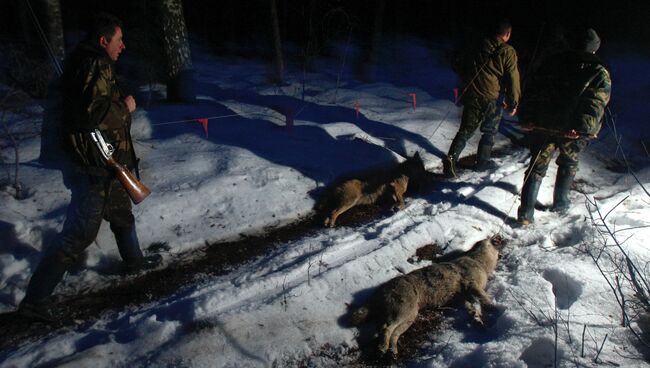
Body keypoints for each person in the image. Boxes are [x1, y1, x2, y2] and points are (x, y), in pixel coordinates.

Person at [18, 13, 161, 321]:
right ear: (102, 41)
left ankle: (134, 262)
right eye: (118, 40)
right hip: (91, 165)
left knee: (121, 211)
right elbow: (92, 114)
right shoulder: (94, 63)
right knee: (78, 234)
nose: (122, 46)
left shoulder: (89, 62)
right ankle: (35, 299)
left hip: (105, 161)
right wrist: (126, 108)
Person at [516, 28, 611, 225]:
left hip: (544, 123)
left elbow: (533, 89)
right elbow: (594, 102)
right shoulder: (599, 70)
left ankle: (525, 214)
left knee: (536, 166)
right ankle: (561, 205)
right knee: (568, 163)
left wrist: (528, 116)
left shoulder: (553, 61)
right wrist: (583, 128)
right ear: (594, 48)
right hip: (572, 131)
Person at [444, 20, 521, 177]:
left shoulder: (478, 45)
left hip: (473, 94)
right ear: (507, 34)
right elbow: (513, 77)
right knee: (489, 132)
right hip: (493, 97)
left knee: (465, 130)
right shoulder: (508, 51)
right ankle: (481, 165)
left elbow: (461, 63)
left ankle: (450, 159)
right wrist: (514, 101)